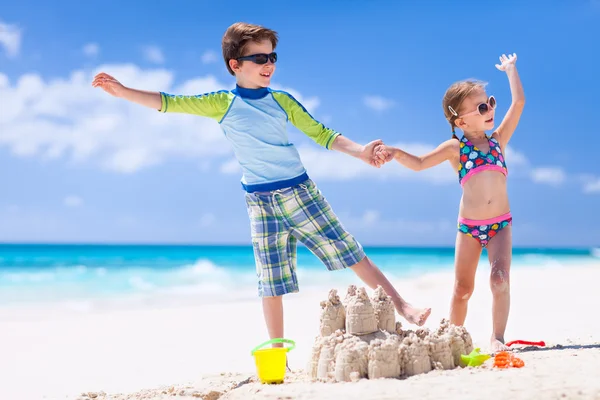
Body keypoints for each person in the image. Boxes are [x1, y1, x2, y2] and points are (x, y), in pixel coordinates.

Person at [92, 22, 432, 348]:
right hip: (259, 202)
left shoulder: (282, 101)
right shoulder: (221, 103)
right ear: (235, 65)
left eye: (272, 57)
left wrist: (360, 152)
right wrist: (123, 92)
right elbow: (169, 102)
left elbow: (321, 133)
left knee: (349, 252)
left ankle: (403, 307)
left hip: (299, 192)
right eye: (259, 58)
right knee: (270, 282)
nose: (268, 64)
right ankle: (278, 351)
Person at [374, 53, 525, 351]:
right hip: (469, 228)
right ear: (460, 120)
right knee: (462, 290)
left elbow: (518, 103)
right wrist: (395, 153)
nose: (490, 109)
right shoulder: (456, 148)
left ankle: (497, 337)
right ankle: (454, 338)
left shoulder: (498, 140)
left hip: (500, 225)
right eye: (481, 107)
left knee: (499, 280)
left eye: (490, 102)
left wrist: (511, 70)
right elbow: (418, 163)